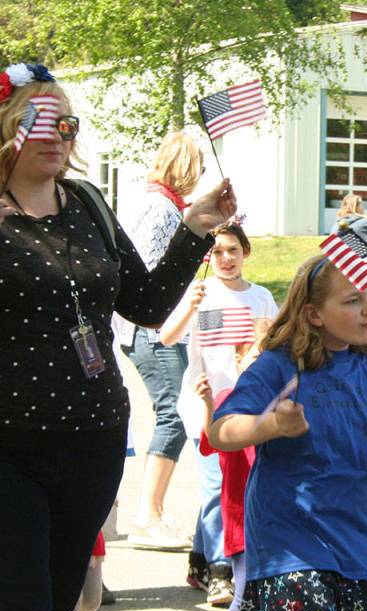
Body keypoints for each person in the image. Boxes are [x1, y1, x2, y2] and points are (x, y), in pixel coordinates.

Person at [0, 63, 236, 611]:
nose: (57, 135)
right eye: (37, 120)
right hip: (8, 446)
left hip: (94, 440)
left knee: (59, 604)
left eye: (67, 123)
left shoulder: (88, 203)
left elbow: (147, 305)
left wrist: (197, 227)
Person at [207, 256, 367, 611]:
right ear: (314, 314)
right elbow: (220, 429)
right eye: (353, 300)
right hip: (291, 544)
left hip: (358, 543)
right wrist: (270, 424)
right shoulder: (278, 364)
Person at [160, 219, 277, 607]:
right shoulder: (200, 293)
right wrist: (189, 307)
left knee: (229, 485)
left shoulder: (260, 297)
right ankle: (221, 571)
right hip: (204, 406)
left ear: (246, 252)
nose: (226, 258)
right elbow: (167, 336)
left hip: (244, 408)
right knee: (215, 485)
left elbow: (273, 344)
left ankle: (199, 558)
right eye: (218, 251)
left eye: (233, 250)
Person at [118, 130, 206, 551]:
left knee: (173, 412)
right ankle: (147, 515)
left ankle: (153, 510)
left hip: (149, 329)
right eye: (198, 167)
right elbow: (152, 279)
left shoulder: (156, 202)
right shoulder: (159, 208)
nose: (201, 175)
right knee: (174, 413)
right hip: (152, 330)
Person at [195, 371, 258, 611]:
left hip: (279, 519)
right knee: (245, 592)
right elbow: (209, 443)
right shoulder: (229, 399)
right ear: (238, 359)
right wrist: (208, 404)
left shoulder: (284, 401)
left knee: (272, 592)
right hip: (241, 518)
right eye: (254, 355)